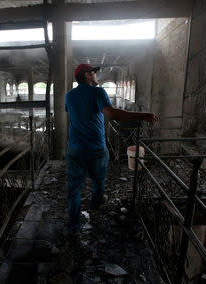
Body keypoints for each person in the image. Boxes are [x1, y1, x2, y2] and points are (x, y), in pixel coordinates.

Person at [65, 63, 158, 234]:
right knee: (98, 181)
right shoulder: (98, 92)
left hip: (75, 149)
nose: (96, 76)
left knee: (74, 189)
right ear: (87, 75)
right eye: (93, 73)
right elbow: (112, 113)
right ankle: (95, 205)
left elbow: (71, 112)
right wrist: (144, 115)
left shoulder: (69, 95)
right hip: (96, 149)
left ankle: (73, 226)